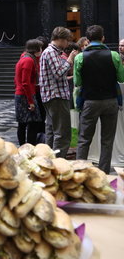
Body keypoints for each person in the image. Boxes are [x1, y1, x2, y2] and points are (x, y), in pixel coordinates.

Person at [74, 25, 124, 173]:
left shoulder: (80, 57)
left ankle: (79, 172)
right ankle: (103, 173)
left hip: (90, 101)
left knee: (84, 139)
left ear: (87, 40)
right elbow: (121, 78)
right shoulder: (114, 55)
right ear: (103, 38)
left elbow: (78, 82)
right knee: (107, 140)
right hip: (110, 101)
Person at [39, 27, 78, 158]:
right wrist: (70, 59)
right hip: (56, 96)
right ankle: (58, 161)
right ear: (60, 39)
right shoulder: (51, 52)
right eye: (67, 41)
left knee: (51, 130)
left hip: (51, 96)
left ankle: (48, 159)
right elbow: (59, 73)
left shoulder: (50, 52)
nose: (68, 44)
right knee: (62, 132)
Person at [14, 39, 43, 146]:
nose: (41, 50)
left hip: (22, 93)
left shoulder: (25, 58)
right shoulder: (28, 60)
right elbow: (25, 82)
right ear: (36, 49)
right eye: (40, 48)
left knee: (23, 123)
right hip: (25, 95)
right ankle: (28, 146)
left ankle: (23, 146)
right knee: (33, 123)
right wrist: (30, 101)